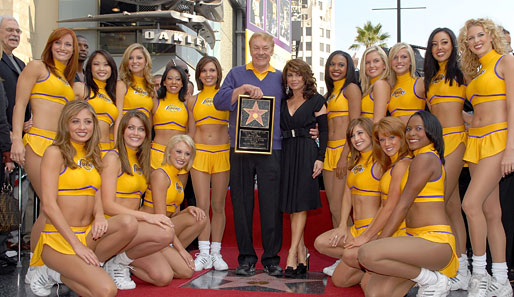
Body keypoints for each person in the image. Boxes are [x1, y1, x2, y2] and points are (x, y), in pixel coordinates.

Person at [29, 100, 138, 297]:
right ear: (66, 124)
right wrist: (76, 246)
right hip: (58, 239)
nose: (82, 127)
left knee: (129, 223)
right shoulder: (55, 153)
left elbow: (95, 191)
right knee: (106, 290)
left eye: (88, 122)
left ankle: (59, 274)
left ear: (94, 126)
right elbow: (49, 206)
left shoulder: (92, 154)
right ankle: (52, 269)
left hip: (87, 234)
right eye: (75, 121)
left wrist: (99, 216)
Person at [358, 111, 457, 297]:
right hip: (415, 240)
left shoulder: (425, 158)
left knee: (367, 254)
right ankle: (426, 277)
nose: (412, 133)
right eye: (409, 129)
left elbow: (402, 206)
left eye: (419, 129)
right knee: (375, 292)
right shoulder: (416, 159)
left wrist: (380, 241)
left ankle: (433, 281)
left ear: (431, 131)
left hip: (434, 241)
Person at [9, 28, 78, 282]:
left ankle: (45, 262)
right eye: (58, 43)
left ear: (74, 50)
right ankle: (36, 267)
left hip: (60, 148)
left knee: (53, 207)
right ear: (50, 45)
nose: (62, 48)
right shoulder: (36, 67)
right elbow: (19, 104)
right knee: (52, 206)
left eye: (68, 45)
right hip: (37, 143)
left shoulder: (68, 79)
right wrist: (17, 138)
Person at [213, 32, 284, 277]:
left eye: (265, 47)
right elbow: (219, 102)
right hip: (241, 147)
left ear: (272, 49)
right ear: (250, 49)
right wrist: (241, 89)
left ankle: (272, 259)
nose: (261, 52)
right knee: (241, 203)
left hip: (272, 147)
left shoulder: (281, 77)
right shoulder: (236, 74)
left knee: (271, 204)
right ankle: (245, 258)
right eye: (256, 47)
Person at [458, 18, 514, 297]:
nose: (476, 40)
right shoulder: (476, 72)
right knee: (492, 212)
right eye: (470, 38)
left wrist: (511, 149)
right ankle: (501, 280)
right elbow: (476, 111)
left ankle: (479, 274)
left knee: (469, 204)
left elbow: (512, 107)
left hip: (499, 141)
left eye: (480, 35)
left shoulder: (506, 62)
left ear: (491, 36)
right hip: (475, 144)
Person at [101, 111, 175, 290]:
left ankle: (119, 261)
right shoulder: (113, 158)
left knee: (163, 277)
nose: (136, 133)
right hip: (113, 227)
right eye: (131, 128)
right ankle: (108, 260)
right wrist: (148, 218)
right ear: (122, 131)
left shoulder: (142, 160)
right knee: (164, 233)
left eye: (141, 129)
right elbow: (107, 205)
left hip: (132, 229)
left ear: (147, 134)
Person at [423, 27, 469, 291]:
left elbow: (475, 107)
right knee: (452, 206)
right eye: (434, 44)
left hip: (457, 143)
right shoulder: (430, 78)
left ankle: (451, 265)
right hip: (436, 146)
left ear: (453, 46)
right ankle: (460, 266)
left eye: (445, 42)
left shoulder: (462, 74)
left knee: (438, 203)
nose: (440, 47)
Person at [314, 117, 382, 287]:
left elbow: (387, 205)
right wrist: (343, 225)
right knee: (338, 277)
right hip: (356, 229)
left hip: (374, 231)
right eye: (352, 136)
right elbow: (347, 196)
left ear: (371, 133)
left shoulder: (381, 162)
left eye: (360, 133)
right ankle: (365, 266)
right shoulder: (356, 162)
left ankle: (374, 265)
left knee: (369, 288)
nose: (356, 139)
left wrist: (371, 234)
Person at [340, 117, 411, 280]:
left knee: (371, 288)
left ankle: (421, 276)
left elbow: (390, 208)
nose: (387, 143)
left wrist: (369, 237)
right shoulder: (391, 164)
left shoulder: (400, 164)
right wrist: (343, 225)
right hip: (379, 228)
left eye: (392, 137)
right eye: (383, 139)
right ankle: (371, 270)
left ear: (401, 136)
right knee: (340, 280)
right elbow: (384, 206)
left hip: (399, 232)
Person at [280, 59, 327, 277]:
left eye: (298, 75)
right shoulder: (283, 100)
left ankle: (291, 254)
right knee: (291, 204)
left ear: (306, 76)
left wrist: (320, 158)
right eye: (290, 75)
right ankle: (301, 251)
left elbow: (324, 132)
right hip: (287, 152)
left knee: (299, 203)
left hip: (307, 152)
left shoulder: (317, 100)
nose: (294, 79)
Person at [141, 134, 207, 280]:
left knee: (199, 217)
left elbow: (172, 215)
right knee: (185, 272)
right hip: (151, 230)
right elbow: (162, 220)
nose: (182, 157)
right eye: (178, 152)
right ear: (169, 151)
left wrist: (187, 209)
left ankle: (163, 254)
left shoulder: (176, 180)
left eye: (187, 154)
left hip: (164, 231)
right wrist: (182, 251)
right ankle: (133, 260)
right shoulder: (160, 175)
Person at [187, 56, 230, 271]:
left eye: (212, 70)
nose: (208, 74)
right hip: (200, 155)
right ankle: (203, 253)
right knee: (202, 205)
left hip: (222, 154)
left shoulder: (227, 98)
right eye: (204, 71)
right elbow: (190, 132)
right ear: (199, 74)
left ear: (218, 73)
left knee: (218, 205)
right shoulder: (192, 100)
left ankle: (216, 252)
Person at [322, 50, 362, 276]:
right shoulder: (330, 94)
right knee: (334, 208)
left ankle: (349, 257)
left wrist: (346, 154)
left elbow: (355, 123)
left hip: (344, 151)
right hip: (329, 151)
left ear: (348, 68)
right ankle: (342, 256)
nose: (336, 68)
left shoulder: (351, 89)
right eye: (332, 65)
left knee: (341, 208)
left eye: (341, 65)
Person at [73, 50, 118, 155]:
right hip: (86, 149)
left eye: (106, 65)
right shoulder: (80, 88)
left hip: (108, 150)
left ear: (112, 68)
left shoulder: (112, 95)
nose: (101, 69)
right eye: (96, 64)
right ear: (90, 68)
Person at [151, 65, 190, 186]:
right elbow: (146, 129)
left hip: (180, 156)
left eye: (178, 79)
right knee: (154, 196)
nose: (174, 82)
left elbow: (190, 133)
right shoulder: (154, 102)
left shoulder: (188, 104)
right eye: (170, 78)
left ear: (183, 83)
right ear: (164, 82)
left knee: (177, 198)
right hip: (157, 155)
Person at [115, 43, 154, 134]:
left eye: (139, 58)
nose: (134, 61)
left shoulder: (150, 87)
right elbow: (118, 116)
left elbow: (150, 119)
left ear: (146, 61)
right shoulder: (121, 85)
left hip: (141, 137)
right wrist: (117, 145)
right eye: (130, 58)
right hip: (124, 135)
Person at [388, 43, 425, 125]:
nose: (399, 61)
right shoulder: (389, 87)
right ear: (390, 62)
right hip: (396, 135)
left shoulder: (421, 82)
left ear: (411, 60)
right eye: (395, 57)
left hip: (415, 135)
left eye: (404, 57)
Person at [359, 45, 391, 122]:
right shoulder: (370, 87)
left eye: (376, 61)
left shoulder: (380, 85)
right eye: (367, 63)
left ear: (384, 65)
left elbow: (378, 121)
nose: (372, 65)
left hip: (371, 133)